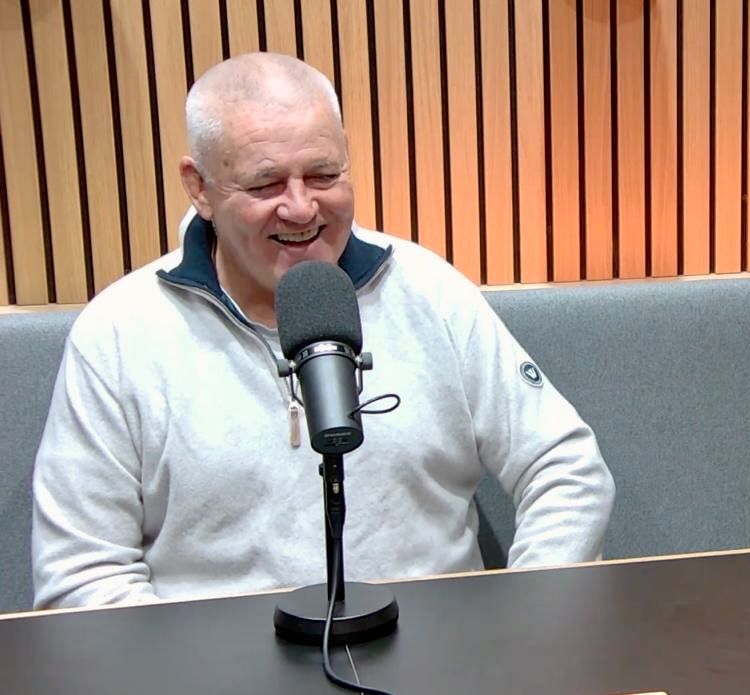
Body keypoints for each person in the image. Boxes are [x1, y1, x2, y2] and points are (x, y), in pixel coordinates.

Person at [31, 53, 615, 609]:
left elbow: (564, 467)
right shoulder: (118, 334)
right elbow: (80, 573)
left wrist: (523, 624)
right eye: (265, 184)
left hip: (442, 665)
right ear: (200, 187)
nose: (302, 208)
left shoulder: (429, 293)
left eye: (322, 174)